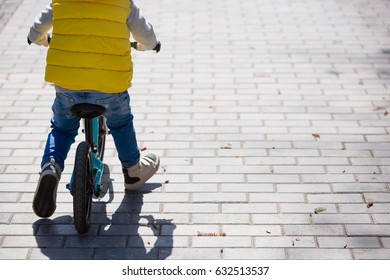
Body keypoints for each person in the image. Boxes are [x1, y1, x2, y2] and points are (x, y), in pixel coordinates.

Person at [27, 0, 161, 218]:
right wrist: (150, 45)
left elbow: (36, 29)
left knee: (61, 130)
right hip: (110, 88)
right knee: (121, 122)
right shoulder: (122, 2)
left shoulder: (60, 1)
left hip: (67, 87)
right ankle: (133, 172)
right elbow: (145, 34)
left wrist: (42, 39)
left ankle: (50, 168)